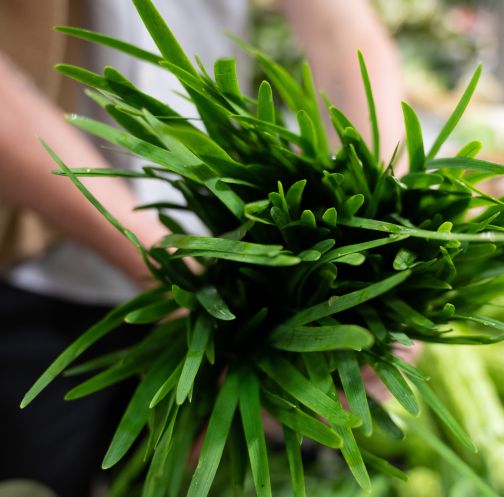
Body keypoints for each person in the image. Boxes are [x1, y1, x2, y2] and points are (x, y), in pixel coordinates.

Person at [0, 1, 405, 496]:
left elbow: (338, 22)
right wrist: (172, 272)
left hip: (210, 262)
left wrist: (386, 241)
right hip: (37, 258)